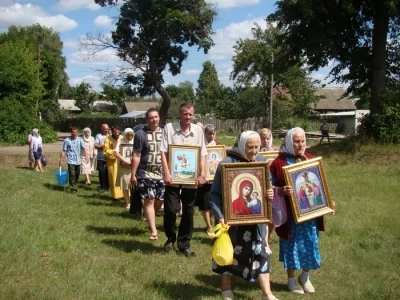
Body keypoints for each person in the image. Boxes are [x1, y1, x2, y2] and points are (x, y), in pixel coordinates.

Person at [209, 131, 278, 300]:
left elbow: (267, 185)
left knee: (261, 253)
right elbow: (214, 194)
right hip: (231, 222)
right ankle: (226, 288)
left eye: (256, 147)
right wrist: (220, 216)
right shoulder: (227, 163)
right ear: (241, 145)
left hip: (256, 221)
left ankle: (266, 293)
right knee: (229, 255)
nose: (254, 151)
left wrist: (269, 192)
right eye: (250, 147)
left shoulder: (261, 161)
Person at [269, 127, 335, 294]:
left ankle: (305, 277)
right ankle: (291, 279)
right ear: (289, 142)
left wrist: (328, 202)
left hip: (309, 212)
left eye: (302, 141)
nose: (300, 144)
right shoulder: (279, 163)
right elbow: (269, 186)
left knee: (310, 243)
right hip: (290, 215)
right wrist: (281, 190)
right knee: (290, 245)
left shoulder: (310, 159)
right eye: (296, 141)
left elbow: (319, 183)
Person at [160, 103, 207, 257]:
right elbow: (163, 152)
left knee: (188, 212)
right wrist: (166, 173)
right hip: (172, 178)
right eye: (185, 114)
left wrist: (202, 175)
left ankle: (184, 244)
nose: (187, 117)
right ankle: (170, 238)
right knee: (171, 210)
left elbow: (203, 155)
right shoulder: (169, 128)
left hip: (191, 179)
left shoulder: (198, 131)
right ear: (179, 114)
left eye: (190, 114)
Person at [131, 108, 165, 240]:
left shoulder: (165, 133)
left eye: (156, 117)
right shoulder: (140, 134)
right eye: (151, 117)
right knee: (149, 199)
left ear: (159, 118)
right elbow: (137, 154)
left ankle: (150, 218)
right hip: (145, 173)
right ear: (147, 119)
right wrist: (133, 174)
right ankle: (154, 230)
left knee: (160, 200)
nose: (154, 119)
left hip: (162, 173)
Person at [197, 124, 220, 233]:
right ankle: (209, 226)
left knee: (213, 203)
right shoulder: (200, 146)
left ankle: (211, 223)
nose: (211, 136)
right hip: (205, 179)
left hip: (215, 180)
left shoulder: (218, 146)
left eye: (213, 134)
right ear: (204, 134)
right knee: (205, 204)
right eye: (209, 134)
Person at [59, 127, 89, 193]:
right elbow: (64, 150)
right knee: (72, 174)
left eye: (75, 132)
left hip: (78, 160)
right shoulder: (67, 140)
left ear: (77, 133)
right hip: (70, 160)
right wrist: (60, 159)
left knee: (77, 174)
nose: (74, 133)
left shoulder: (80, 139)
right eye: (73, 132)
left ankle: (73, 184)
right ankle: (73, 188)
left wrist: (87, 156)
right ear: (71, 132)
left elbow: (84, 148)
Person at [115, 128, 134, 210]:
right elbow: (116, 153)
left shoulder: (135, 141)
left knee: (133, 185)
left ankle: (134, 202)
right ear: (125, 134)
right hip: (124, 167)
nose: (130, 137)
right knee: (125, 185)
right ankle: (127, 202)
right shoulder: (120, 141)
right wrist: (124, 161)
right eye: (128, 135)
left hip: (133, 167)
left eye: (131, 135)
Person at [104, 125, 124, 201]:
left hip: (122, 161)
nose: (117, 133)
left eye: (118, 132)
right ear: (112, 132)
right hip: (113, 163)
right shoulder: (108, 139)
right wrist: (115, 152)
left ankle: (124, 194)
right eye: (115, 132)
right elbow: (106, 151)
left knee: (123, 178)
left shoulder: (122, 138)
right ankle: (116, 196)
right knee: (114, 178)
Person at [95, 124, 110, 193]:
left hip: (109, 158)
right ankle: (103, 187)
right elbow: (96, 146)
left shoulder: (111, 135)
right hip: (101, 158)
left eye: (107, 129)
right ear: (102, 129)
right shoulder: (98, 136)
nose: (106, 130)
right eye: (105, 129)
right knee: (101, 171)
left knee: (108, 172)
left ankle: (108, 186)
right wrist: (104, 146)